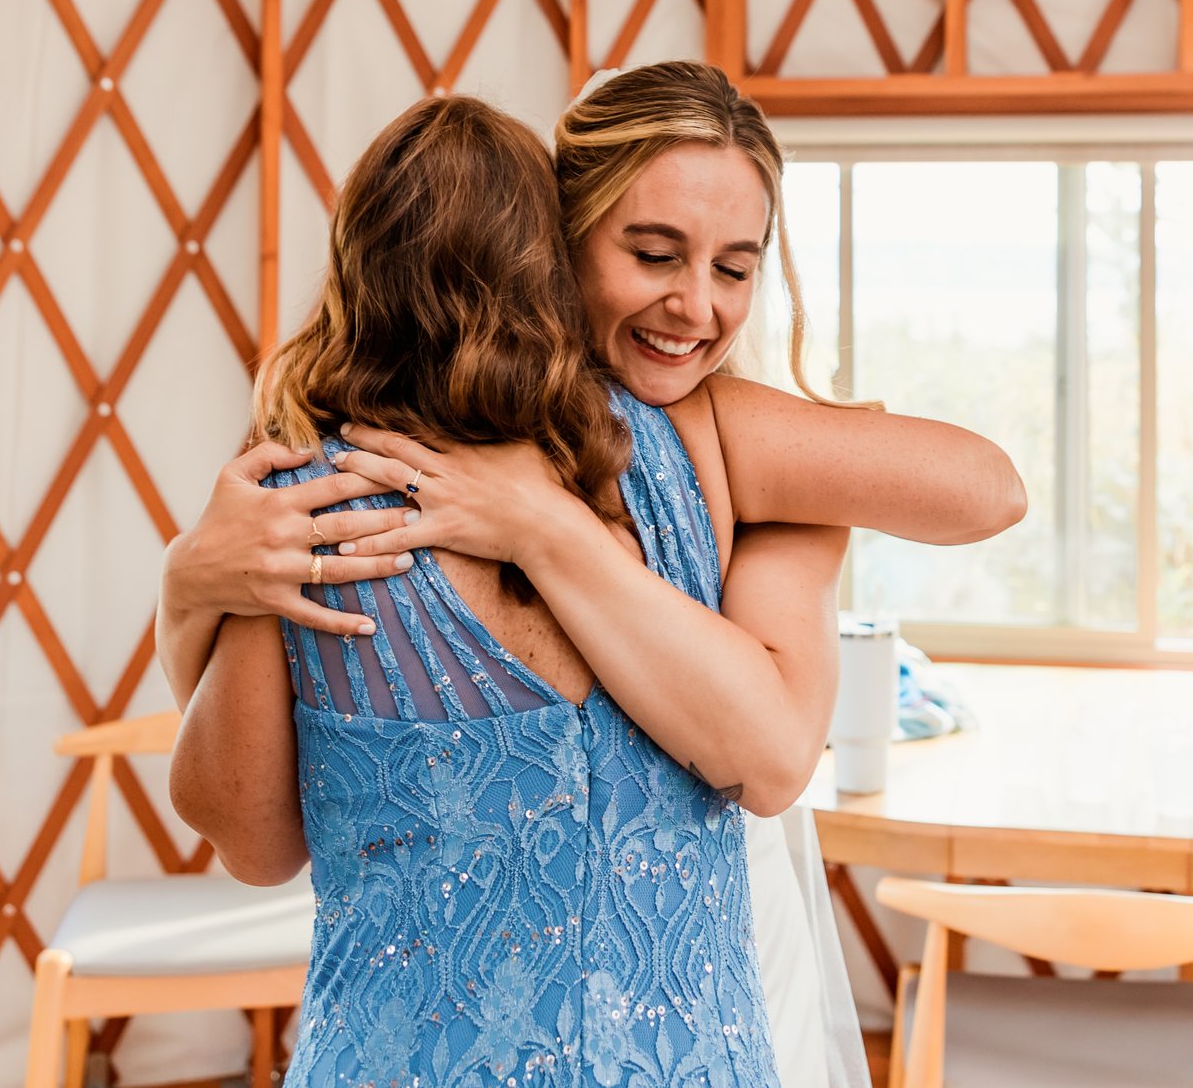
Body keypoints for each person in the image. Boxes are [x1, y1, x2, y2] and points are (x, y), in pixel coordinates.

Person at [159, 63, 1027, 1084]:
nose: (696, 302)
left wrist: (542, 525)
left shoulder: (329, 495)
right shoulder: (699, 447)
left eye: (736, 267)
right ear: (553, 243)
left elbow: (988, 489)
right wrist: (188, 584)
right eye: (652, 251)